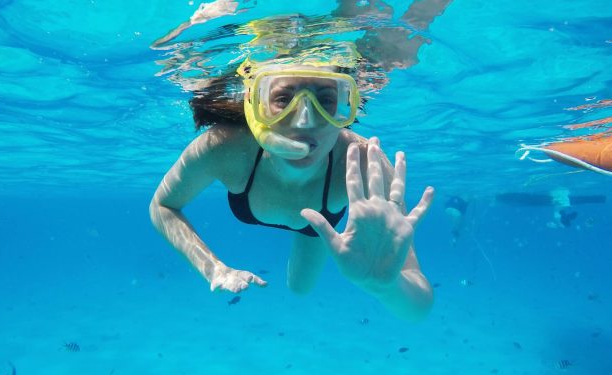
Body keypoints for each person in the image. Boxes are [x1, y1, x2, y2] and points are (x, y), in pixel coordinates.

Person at [149, 57, 435, 321]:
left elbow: (418, 307)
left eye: (326, 100)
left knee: (300, 288)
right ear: (255, 104)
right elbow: (162, 206)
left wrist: (385, 285)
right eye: (283, 99)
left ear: (345, 105)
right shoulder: (223, 147)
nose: (305, 120)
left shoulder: (363, 162)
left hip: (316, 226)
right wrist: (213, 268)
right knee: (299, 288)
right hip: (308, 208)